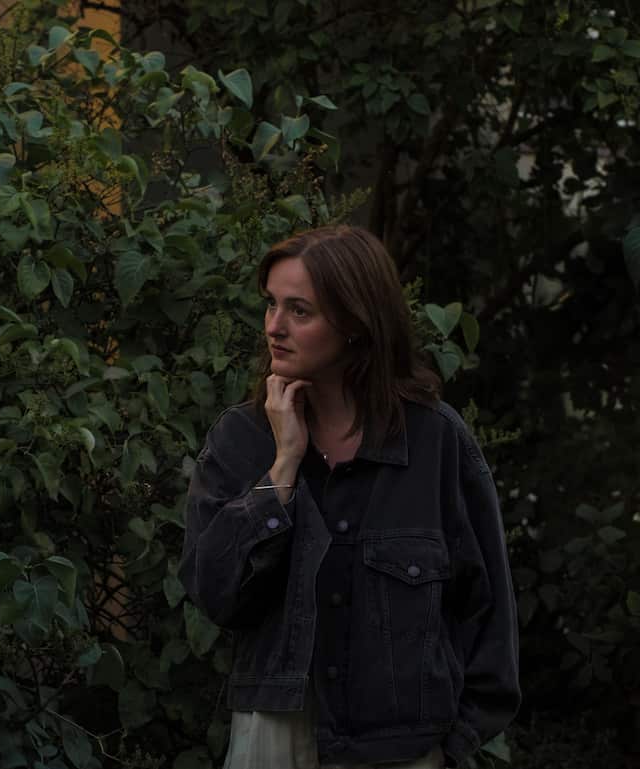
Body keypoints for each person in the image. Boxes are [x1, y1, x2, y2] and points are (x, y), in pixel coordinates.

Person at [179, 225, 520, 769]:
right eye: (271, 304)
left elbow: (488, 608)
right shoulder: (241, 440)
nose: (274, 327)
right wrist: (283, 467)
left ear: (356, 324)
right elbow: (212, 592)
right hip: (275, 738)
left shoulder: (434, 441)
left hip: (402, 747)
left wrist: (454, 746)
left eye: (300, 311)